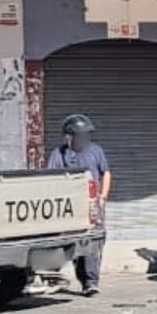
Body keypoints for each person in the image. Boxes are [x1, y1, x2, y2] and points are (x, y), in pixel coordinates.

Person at [47, 114, 111, 296]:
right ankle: (72, 277)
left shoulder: (96, 151)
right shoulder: (59, 154)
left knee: (93, 244)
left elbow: (105, 173)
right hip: (71, 208)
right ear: (69, 137)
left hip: (93, 206)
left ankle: (91, 282)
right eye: (79, 135)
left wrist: (103, 197)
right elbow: (52, 178)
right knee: (75, 245)